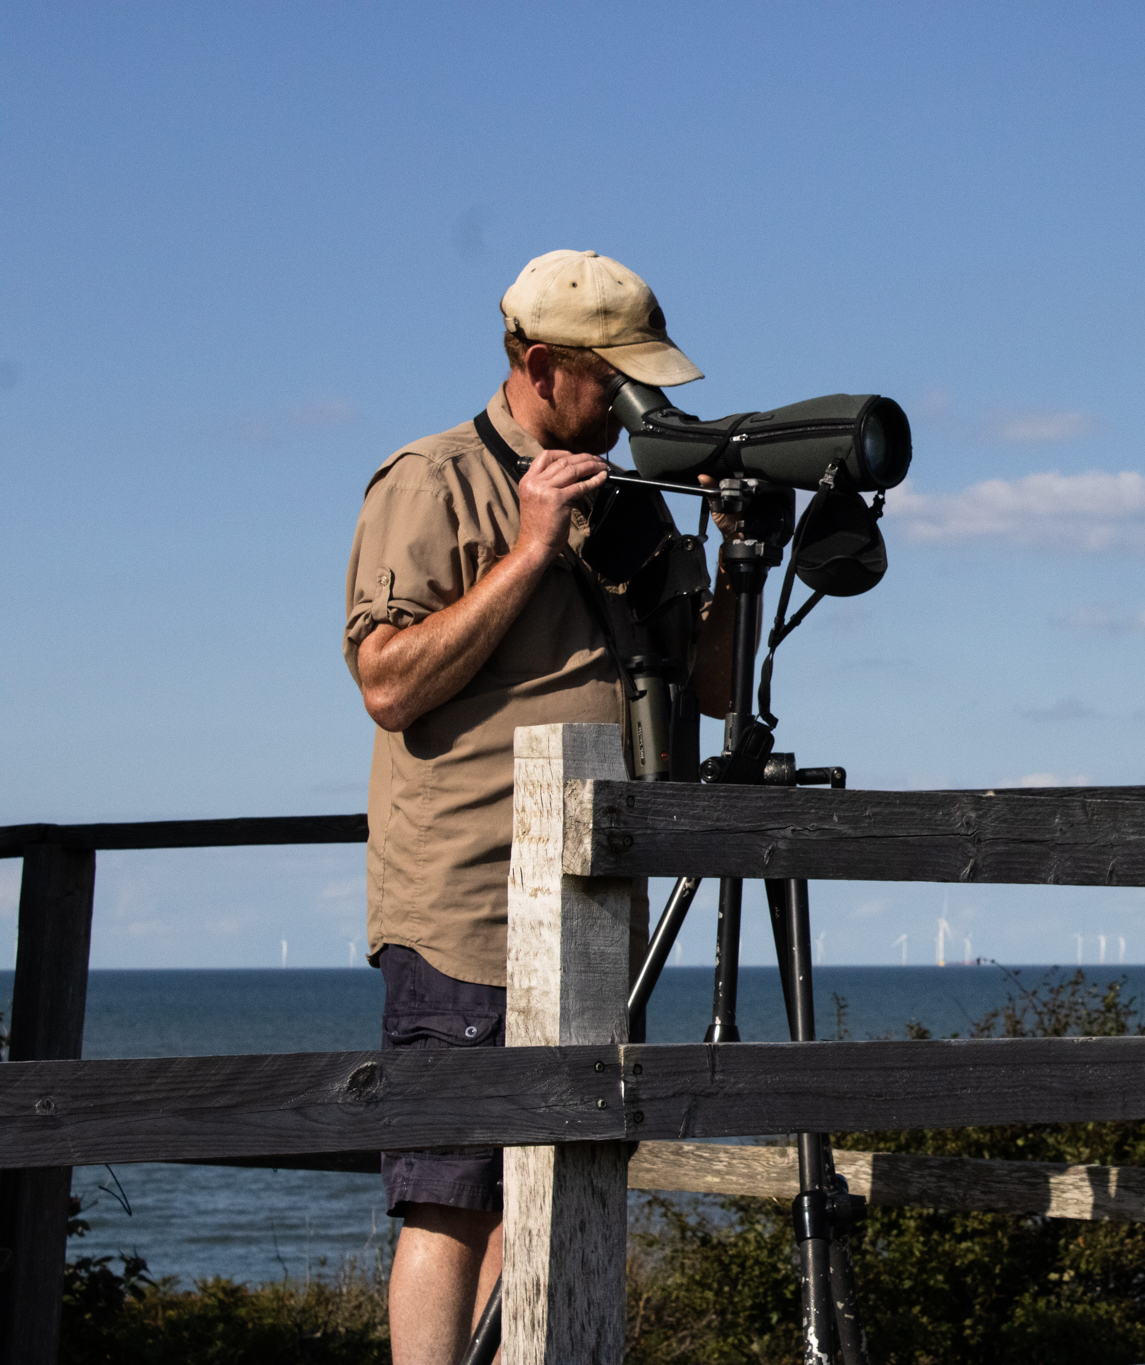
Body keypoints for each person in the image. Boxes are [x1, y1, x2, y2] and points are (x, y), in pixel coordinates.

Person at [343, 249, 724, 1364]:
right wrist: (527, 550)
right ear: (542, 367)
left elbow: (709, 689)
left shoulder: (630, 504)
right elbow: (387, 683)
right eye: (612, 380)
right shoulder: (434, 478)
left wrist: (731, 563)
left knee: (553, 1186)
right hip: (468, 902)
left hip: (593, 903)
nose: (628, 406)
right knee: (450, 1196)